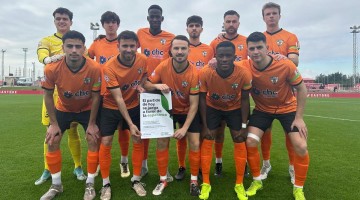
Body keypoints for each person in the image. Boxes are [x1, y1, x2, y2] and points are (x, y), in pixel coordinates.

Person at [243, 32, 309, 200]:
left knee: (300, 146)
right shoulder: (244, 66)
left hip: (287, 109)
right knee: (250, 141)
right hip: (262, 110)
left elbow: (302, 89)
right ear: (247, 51)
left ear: (267, 48)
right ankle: (257, 180)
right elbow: (226, 68)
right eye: (252, 48)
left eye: (260, 47)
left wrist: (299, 118)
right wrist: (212, 64)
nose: (256, 51)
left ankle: (298, 188)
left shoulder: (285, 64)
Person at [40, 30, 102, 200]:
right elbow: (47, 95)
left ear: (84, 48)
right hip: (63, 109)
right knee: (52, 140)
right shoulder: (51, 68)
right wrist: (53, 124)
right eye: (70, 46)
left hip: (87, 108)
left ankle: (90, 183)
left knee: (93, 138)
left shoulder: (94, 67)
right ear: (63, 48)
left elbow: (96, 96)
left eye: (78, 46)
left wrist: (92, 123)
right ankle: (56, 185)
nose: (74, 50)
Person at [143, 35, 201, 196]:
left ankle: (194, 180)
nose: (180, 51)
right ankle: (163, 180)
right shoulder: (163, 66)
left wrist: (184, 128)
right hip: (167, 110)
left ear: (189, 50)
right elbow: (146, 84)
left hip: (187, 111)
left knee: (195, 142)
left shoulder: (194, 73)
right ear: (171, 50)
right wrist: (156, 85)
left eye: (183, 48)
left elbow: (194, 105)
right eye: (176, 48)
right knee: (162, 141)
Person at [35, 7, 86, 186]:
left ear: (71, 21)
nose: (62, 21)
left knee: (73, 131)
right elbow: (42, 55)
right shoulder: (47, 40)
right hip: (52, 94)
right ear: (54, 21)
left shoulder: (77, 42)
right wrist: (49, 60)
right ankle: (47, 169)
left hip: (71, 96)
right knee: (50, 133)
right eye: (58, 19)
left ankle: (78, 166)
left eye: (65, 18)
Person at [198, 41, 252, 200]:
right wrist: (205, 125)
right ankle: (206, 182)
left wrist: (244, 125)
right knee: (208, 138)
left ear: (235, 57)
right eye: (221, 56)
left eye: (228, 56)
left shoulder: (243, 73)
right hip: (213, 107)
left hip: (234, 108)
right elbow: (202, 99)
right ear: (215, 57)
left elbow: (245, 100)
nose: (224, 59)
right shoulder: (206, 72)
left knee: (240, 139)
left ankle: (239, 184)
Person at [98, 30, 147, 199]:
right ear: (118, 46)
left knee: (138, 138)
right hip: (111, 107)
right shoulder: (109, 67)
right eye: (124, 46)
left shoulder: (143, 60)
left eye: (132, 46)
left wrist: (141, 85)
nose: (128, 49)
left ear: (137, 46)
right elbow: (118, 99)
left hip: (134, 105)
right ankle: (105, 184)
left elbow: (144, 75)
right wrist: (130, 124)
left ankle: (136, 179)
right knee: (106, 140)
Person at [259, 2, 301, 183]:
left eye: (274, 13)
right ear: (263, 17)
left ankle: (292, 166)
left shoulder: (290, 37)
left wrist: (273, 60)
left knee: (290, 133)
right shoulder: (258, 37)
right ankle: (266, 163)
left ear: (279, 15)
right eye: (267, 14)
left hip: (286, 95)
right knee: (265, 131)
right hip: (263, 96)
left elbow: (294, 61)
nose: (271, 16)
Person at [88, 11, 131, 178]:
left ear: (118, 25)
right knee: (101, 131)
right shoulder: (97, 43)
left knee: (124, 130)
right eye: (107, 22)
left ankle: (124, 161)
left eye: (113, 22)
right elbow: (87, 58)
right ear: (103, 24)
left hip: (124, 93)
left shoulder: (123, 43)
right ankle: (98, 161)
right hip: (103, 94)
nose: (110, 25)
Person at [137, 4, 175, 179]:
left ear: (162, 18)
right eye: (151, 16)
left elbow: (180, 53)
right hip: (144, 87)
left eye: (157, 16)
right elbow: (123, 44)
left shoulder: (170, 37)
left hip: (163, 89)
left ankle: (163, 169)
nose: (154, 19)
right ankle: (143, 165)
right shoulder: (140, 33)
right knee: (144, 130)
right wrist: (102, 37)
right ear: (148, 18)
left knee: (163, 131)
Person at [209, 10, 248, 176]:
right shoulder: (214, 42)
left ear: (238, 23)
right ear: (223, 23)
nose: (231, 24)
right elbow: (209, 67)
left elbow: (251, 62)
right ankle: (218, 162)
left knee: (239, 134)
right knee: (218, 133)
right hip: (217, 96)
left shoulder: (246, 42)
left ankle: (244, 164)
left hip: (237, 96)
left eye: (234, 21)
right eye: (228, 21)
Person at [174, 15, 214, 181]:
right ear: (187, 29)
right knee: (181, 137)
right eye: (191, 26)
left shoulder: (209, 49)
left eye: (197, 25)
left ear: (202, 29)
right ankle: (182, 165)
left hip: (201, 99)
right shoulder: (180, 48)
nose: (194, 28)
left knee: (197, 137)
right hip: (181, 99)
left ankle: (196, 168)